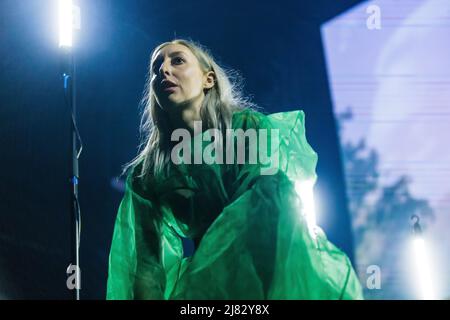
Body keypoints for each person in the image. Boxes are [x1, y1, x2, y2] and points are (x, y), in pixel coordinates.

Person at [106, 38, 363, 299]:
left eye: (178, 60)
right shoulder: (147, 173)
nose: (163, 69)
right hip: (204, 288)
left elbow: (261, 207)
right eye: (156, 67)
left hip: (264, 268)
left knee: (272, 185)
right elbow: (145, 267)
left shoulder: (248, 128)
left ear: (208, 80)